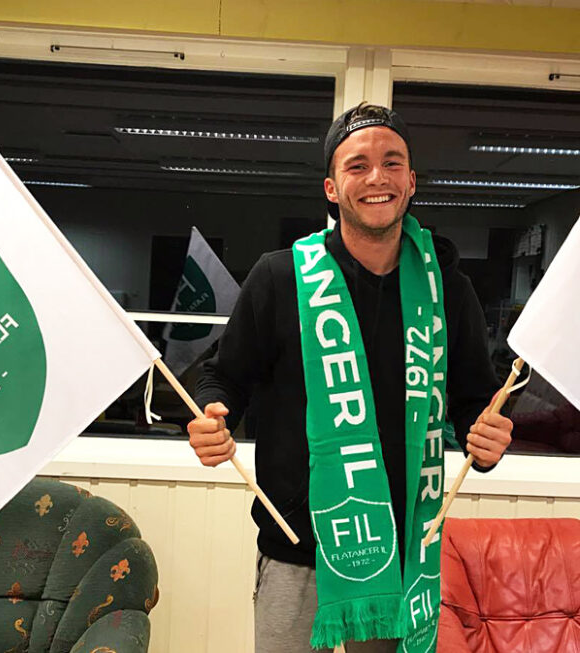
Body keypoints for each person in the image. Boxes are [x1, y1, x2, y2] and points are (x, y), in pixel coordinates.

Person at [187, 103, 513, 653]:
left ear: (411, 181)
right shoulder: (280, 277)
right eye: (357, 165)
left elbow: (474, 403)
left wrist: (487, 441)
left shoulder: (448, 289)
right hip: (296, 546)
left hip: (399, 552)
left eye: (392, 162)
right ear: (332, 189)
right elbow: (225, 378)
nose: (377, 177)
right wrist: (211, 415)